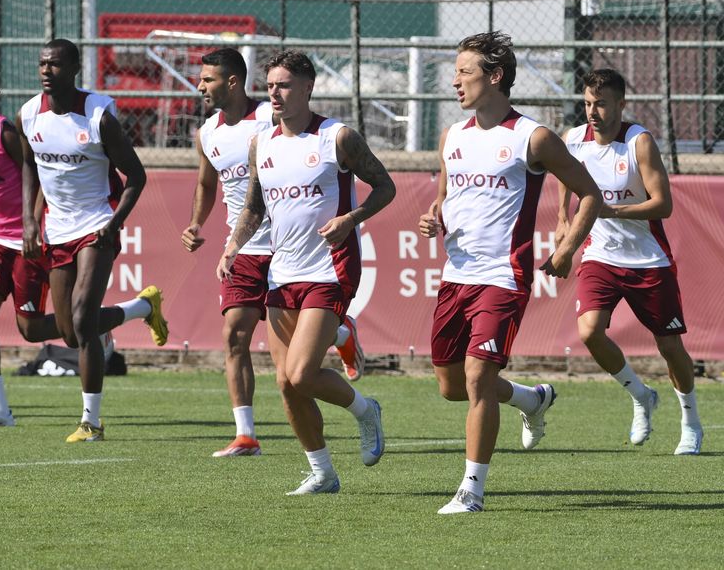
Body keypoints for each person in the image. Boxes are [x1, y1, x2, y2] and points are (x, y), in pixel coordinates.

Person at [418, 31, 602, 514]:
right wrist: (434, 214)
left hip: (503, 277)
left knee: (478, 377)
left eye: (464, 72)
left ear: (494, 77)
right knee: (452, 386)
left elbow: (590, 194)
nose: (454, 81)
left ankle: (471, 491)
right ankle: (529, 399)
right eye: (455, 71)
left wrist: (565, 249)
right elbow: (444, 197)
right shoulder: (451, 136)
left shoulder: (532, 137)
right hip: (455, 276)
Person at [0, 68, 162, 429]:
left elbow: (38, 172)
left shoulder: (5, 132)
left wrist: (34, 222)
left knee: (45, 330)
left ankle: (135, 309)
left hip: (29, 242)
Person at [216, 50, 395, 495]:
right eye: (270, 85)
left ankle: (365, 410)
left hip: (329, 270)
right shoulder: (262, 143)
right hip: (282, 272)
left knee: (300, 373)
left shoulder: (337, 138)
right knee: (287, 384)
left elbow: (386, 186)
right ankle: (323, 473)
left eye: (284, 85)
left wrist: (351, 219)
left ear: (308, 88)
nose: (274, 93)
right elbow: (254, 206)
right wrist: (233, 247)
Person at [182, 48, 365, 458]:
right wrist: (204, 227)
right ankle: (246, 433)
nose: (200, 87)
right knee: (237, 334)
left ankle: (339, 337)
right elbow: (208, 184)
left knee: (296, 369)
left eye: (207, 79)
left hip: (292, 245)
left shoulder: (273, 118)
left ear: (231, 82)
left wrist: (349, 217)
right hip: (248, 246)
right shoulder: (207, 132)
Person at [17, 40, 168, 442]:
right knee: (69, 332)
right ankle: (140, 307)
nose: (47, 71)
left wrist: (115, 223)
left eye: (55, 64)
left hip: (97, 224)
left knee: (83, 318)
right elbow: (29, 166)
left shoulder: (99, 116)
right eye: (42, 64)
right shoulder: (29, 114)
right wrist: (30, 222)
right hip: (56, 229)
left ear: (74, 68)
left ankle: (91, 421)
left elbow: (136, 177)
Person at [557, 69, 703, 455]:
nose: (593, 111)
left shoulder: (638, 142)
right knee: (589, 332)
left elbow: (664, 205)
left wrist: (614, 212)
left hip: (648, 259)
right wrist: (561, 218)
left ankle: (690, 421)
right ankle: (640, 395)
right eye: (588, 103)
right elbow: (564, 176)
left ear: (621, 105)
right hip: (600, 255)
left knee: (670, 346)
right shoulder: (573, 140)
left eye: (601, 104)